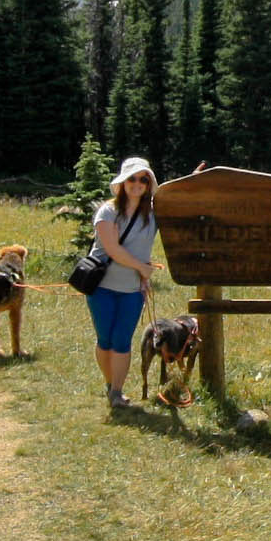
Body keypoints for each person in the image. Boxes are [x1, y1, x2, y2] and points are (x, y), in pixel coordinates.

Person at [89, 156, 161, 411]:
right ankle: (110, 383)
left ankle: (117, 392)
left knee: (122, 341)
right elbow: (112, 248)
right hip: (101, 288)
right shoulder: (108, 211)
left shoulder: (152, 215)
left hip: (132, 290)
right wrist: (142, 268)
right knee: (104, 340)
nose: (137, 184)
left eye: (143, 179)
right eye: (132, 178)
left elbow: (177, 199)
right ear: (123, 181)